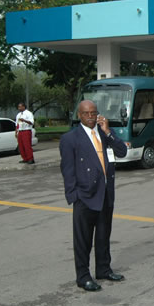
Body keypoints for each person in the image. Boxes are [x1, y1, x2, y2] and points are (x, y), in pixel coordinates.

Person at [60, 100, 128, 292]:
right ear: (79, 115)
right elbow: (67, 170)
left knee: (104, 236)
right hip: (85, 196)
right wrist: (74, 196)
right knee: (83, 240)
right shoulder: (70, 139)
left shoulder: (104, 132)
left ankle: (104, 269)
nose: (90, 117)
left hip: (105, 194)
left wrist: (107, 132)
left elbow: (121, 152)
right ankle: (83, 277)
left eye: (93, 113)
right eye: (86, 113)